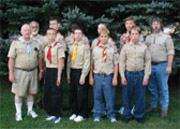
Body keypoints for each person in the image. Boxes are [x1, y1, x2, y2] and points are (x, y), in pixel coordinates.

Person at [8, 24, 43, 121]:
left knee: (31, 92)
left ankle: (30, 110)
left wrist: (41, 70)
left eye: (29, 30)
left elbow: (40, 58)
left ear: (31, 31)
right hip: (20, 72)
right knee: (19, 93)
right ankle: (18, 113)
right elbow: (11, 59)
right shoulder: (16, 43)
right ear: (21, 32)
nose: (27, 32)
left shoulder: (36, 43)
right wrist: (11, 73)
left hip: (33, 71)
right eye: (25, 30)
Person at [119, 26, 151, 124]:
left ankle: (139, 115)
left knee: (140, 96)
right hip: (128, 74)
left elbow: (148, 62)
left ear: (139, 35)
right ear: (130, 35)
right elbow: (122, 62)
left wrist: (146, 76)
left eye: (136, 34)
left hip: (140, 74)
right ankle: (126, 115)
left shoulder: (144, 47)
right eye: (132, 34)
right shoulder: (126, 47)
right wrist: (122, 76)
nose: (134, 36)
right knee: (126, 96)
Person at [146, 18, 175, 117]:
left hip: (162, 65)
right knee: (152, 87)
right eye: (154, 24)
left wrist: (169, 66)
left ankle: (164, 108)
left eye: (157, 24)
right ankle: (153, 106)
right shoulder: (148, 38)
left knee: (163, 88)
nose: (155, 26)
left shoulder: (166, 37)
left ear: (161, 25)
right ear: (151, 26)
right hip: (151, 66)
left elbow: (170, 52)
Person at [89, 28, 119, 123]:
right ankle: (98, 114)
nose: (103, 38)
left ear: (108, 37)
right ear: (99, 38)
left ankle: (111, 114)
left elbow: (116, 64)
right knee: (97, 96)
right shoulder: (95, 50)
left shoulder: (112, 49)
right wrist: (91, 77)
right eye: (102, 36)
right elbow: (91, 64)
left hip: (109, 76)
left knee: (109, 97)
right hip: (97, 76)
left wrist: (115, 77)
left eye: (105, 36)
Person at [67, 27, 90, 122]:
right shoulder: (71, 46)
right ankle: (75, 111)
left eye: (80, 33)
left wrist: (83, 75)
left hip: (81, 71)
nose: (77, 35)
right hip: (73, 71)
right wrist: (68, 74)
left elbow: (87, 62)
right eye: (76, 33)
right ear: (73, 35)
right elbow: (69, 61)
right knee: (73, 93)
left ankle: (82, 113)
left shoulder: (85, 46)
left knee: (81, 93)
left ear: (83, 35)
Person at [43, 28, 65, 124]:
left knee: (56, 92)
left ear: (56, 36)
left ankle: (58, 114)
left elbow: (61, 61)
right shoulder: (46, 46)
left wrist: (59, 76)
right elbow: (45, 61)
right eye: (49, 34)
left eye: (53, 34)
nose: (51, 36)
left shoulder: (58, 46)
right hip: (48, 70)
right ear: (47, 36)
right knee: (48, 92)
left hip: (56, 70)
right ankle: (51, 112)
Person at [29, 20, 44, 109]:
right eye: (32, 27)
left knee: (39, 84)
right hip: (30, 65)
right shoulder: (26, 37)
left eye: (36, 27)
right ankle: (29, 102)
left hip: (40, 65)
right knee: (29, 85)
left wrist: (42, 68)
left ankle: (39, 102)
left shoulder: (42, 39)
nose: (34, 29)